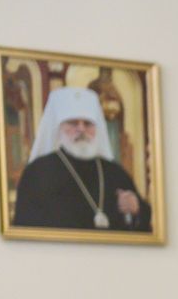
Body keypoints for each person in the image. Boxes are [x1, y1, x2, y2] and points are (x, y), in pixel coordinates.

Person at [11, 87, 151, 232]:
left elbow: (144, 228)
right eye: (73, 123)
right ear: (59, 128)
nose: (81, 129)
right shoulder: (37, 173)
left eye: (88, 123)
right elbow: (23, 229)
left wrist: (137, 210)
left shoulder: (115, 174)